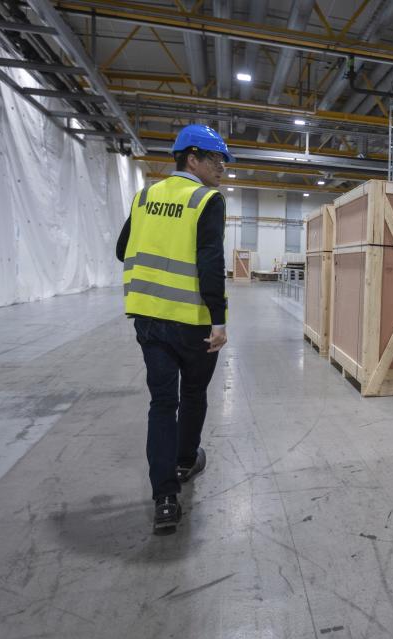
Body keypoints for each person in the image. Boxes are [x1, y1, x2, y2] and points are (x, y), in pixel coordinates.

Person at [115, 124, 232, 534]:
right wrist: (219, 320)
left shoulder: (145, 196)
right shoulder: (206, 200)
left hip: (147, 320)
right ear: (192, 158)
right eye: (216, 159)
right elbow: (210, 265)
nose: (222, 167)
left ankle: (165, 499)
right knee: (194, 392)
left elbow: (120, 250)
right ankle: (186, 460)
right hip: (192, 324)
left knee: (162, 404)